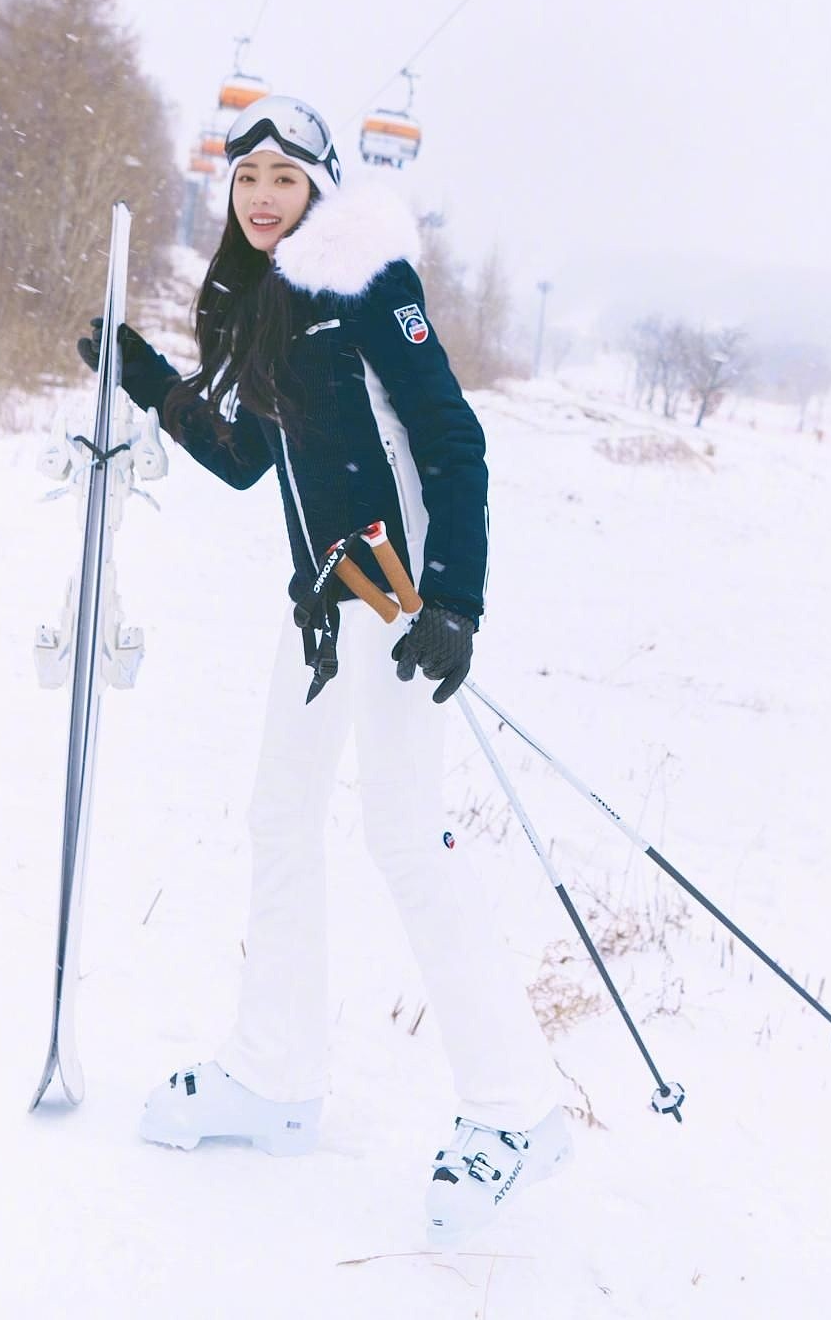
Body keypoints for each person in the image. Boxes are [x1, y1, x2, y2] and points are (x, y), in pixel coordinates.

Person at [78, 94, 567, 1243]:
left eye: (284, 179)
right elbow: (250, 459)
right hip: (321, 614)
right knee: (280, 817)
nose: (260, 195)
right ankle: (276, 1071)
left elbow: (452, 437)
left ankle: (514, 1106)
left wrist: (454, 599)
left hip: (393, 605)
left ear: (319, 192)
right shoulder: (257, 302)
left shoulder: (366, 281)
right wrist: (147, 375)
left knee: (403, 837)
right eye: (247, 176)